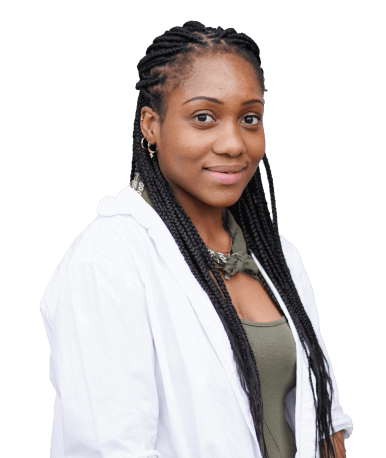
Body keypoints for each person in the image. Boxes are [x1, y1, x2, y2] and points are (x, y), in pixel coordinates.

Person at [39, 21, 353, 458]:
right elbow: (106, 448)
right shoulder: (109, 259)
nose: (232, 143)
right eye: (203, 117)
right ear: (151, 124)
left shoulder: (279, 257)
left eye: (249, 118)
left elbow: (323, 421)